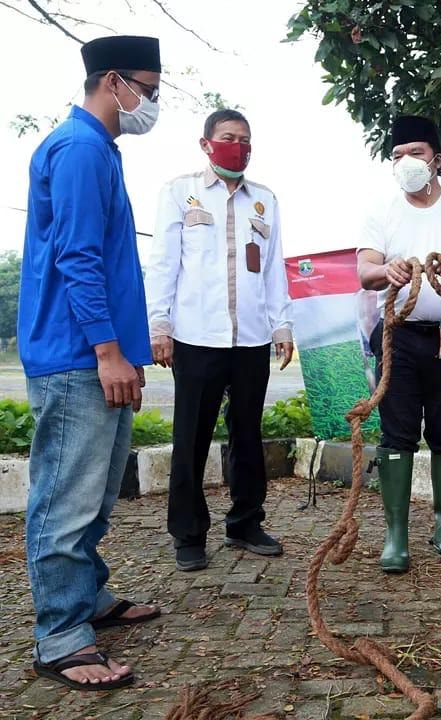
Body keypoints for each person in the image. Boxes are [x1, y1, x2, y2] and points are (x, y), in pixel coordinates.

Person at [19, 35, 163, 691]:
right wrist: (108, 351)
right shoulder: (78, 149)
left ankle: (89, 600)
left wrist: (126, 352)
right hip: (79, 357)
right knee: (66, 501)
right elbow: (77, 259)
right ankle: (60, 637)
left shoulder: (99, 150)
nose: (150, 103)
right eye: (147, 88)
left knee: (97, 495)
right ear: (113, 81)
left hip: (106, 357)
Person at [145, 109, 294, 572]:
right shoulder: (180, 192)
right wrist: (159, 326)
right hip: (196, 336)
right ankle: (189, 534)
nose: (239, 146)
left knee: (248, 435)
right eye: (228, 137)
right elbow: (164, 263)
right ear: (206, 143)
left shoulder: (264, 200)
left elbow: (273, 270)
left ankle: (246, 522)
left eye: (246, 139)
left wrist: (281, 326)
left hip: (249, 339)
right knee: (190, 438)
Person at [356, 115, 441, 573]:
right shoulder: (381, 211)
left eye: (414, 153)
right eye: (397, 156)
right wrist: (388, 270)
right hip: (399, 338)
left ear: (437, 159)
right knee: (396, 435)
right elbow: (365, 270)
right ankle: (396, 536)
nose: (405, 162)